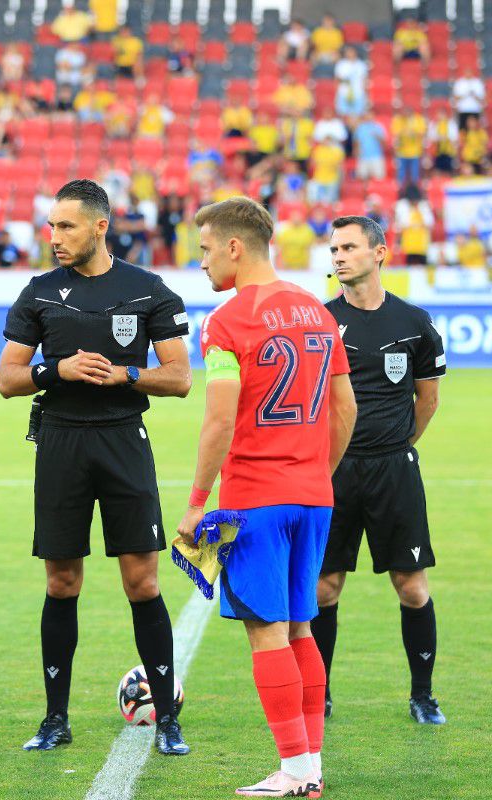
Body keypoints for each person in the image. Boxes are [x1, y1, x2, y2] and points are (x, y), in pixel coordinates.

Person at [0, 179, 192, 755]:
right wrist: (55, 371)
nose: (54, 237)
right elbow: (8, 378)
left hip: (123, 443)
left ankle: (168, 722)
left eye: (66, 226)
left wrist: (124, 375)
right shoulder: (39, 293)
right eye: (52, 226)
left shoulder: (147, 291)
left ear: (100, 226)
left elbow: (180, 377)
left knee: (142, 581)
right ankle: (55, 720)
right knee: (62, 581)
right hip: (59, 443)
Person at [176, 196, 356, 798]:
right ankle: (311, 766)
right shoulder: (318, 311)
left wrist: (198, 500)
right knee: (302, 627)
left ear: (234, 246)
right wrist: (315, 471)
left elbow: (219, 421)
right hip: (313, 495)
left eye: (204, 249)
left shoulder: (227, 322)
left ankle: (296, 771)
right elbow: (345, 408)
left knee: (268, 631)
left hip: (255, 498)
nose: (200, 262)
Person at [313, 214, 448, 728]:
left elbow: (427, 400)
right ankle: (320, 695)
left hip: (394, 471)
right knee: (325, 587)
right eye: (334, 249)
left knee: (411, 584)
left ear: (379, 252)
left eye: (349, 247)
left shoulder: (414, 323)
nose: (339, 256)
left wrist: (396, 446)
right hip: (334, 471)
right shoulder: (320, 320)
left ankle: (423, 696)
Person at [391, 109, 428, 188]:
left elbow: (422, 133)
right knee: (401, 175)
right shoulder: (399, 120)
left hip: (415, 152)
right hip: (402, 152)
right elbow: (396, 134)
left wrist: (413, 131)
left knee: (415, 175)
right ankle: (400, 192)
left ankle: (414, 191)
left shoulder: (418, 120)